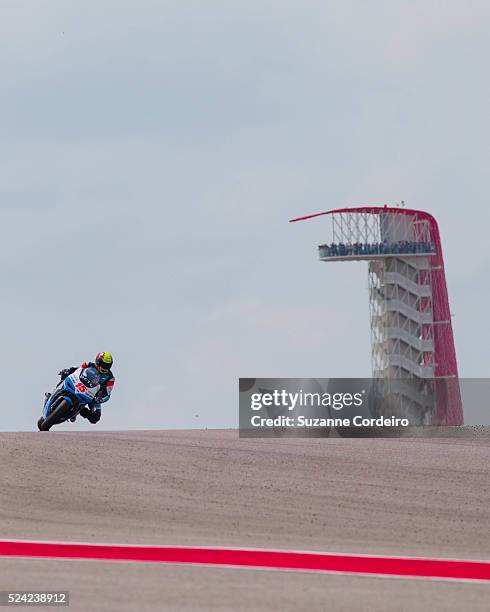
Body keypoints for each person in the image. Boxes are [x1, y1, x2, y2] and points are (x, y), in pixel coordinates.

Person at [46, 352, 115, 424]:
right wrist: (67, 370)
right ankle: (53, 393)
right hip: (79, 384)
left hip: (93, 396)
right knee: (65, 375)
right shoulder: (88, 365)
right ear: (98, 361)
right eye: (103, 365)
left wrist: (100, 399)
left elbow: (108, 393)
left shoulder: (110, 378)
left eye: (107, 366)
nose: (105, 367)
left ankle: (80, 410)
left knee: (95, 417)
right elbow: (77, 368)